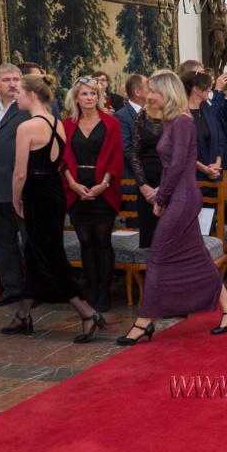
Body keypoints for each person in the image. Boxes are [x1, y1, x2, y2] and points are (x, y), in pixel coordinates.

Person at [117, 70, 227, 344]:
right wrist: (164, 197)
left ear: (167, 93)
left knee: (156, 256)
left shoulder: (182, 123)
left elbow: (176, 167)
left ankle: (144, 322)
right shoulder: (173, 121)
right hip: (179, 196)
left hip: (183, 198)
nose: (149, 96)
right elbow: (172, 165)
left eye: (153, 91)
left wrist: (160, 199)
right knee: (198, 257)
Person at [3, 74, 106, 341]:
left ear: (31, 95)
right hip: (54, 193)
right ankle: (23, 315)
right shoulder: (57, 122)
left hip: (37, 194)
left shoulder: (27, 127)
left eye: (19, 92)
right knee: (36, 252)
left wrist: (15, 199)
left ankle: (87, 312)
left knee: (49, 255)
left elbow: (20, 173)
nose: (15, 96)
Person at [62, 76, 124, 313]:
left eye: (93, 94)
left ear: (99, 97)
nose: (89, 98)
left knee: (102, 242)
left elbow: (117, 158)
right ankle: (92, 290)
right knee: (85, 242)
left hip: (104, 192)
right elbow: (61, 159)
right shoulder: (66, 124)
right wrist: (73, 184)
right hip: (76, 191)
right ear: (76, 98)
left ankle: (105, 292)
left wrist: (104, 185)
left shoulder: (111, 123)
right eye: (84, 94)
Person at [0, 64, 31, 308]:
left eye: (16, 79)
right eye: (6, 80)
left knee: (30, 241)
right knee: (3, 241)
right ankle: (12, 289)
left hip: (22, 185)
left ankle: (34, 291)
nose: (12, 84)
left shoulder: (27, 107)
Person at [182, 71, 224, 206]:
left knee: (213, 216)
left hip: (214, 175)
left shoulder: (207, 108)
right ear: (195, 89)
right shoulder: (182, 113)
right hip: (193, 178)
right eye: (207, 87)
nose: (210, 90)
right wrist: (204, 169)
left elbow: (219, 139)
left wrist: (217, 163)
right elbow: (183, 151)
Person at [130, 92, 165, 249]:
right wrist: (142, 185)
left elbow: (180, 159)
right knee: (149, 240)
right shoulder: (142, 115)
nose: (149, 96)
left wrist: (163, 188)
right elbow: (134, 153)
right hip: (146, 185)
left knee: (170, 239)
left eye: (154, 92)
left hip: (170, 181)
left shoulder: (178, 116)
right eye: (149, 91)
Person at [114, 74, 147, 228]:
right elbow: (125, 149)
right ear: (137, 91)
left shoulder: (154, 112)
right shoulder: (121, 116)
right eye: (148, 87)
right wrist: (147, 166)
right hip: (134, 180)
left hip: (154, 180)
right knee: (136, 228)